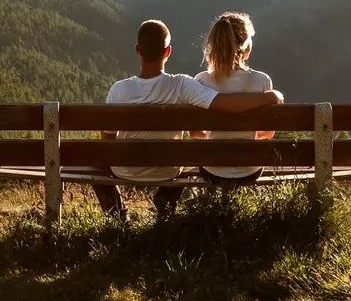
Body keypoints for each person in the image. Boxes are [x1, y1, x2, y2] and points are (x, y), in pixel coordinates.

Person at [93, 18, 282, 219]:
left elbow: (108, 138)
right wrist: (271, 97)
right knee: (188, 159)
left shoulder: (118, 89)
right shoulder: (182, 85)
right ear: (168, 52)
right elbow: (225, 103)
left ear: (138, 50)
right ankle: (165, 202)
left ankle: (116, 214)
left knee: (93, 159)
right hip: (169, 170)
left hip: (124, 169)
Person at [194, 11, 275, 183]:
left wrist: (215, 136)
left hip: (212, 169)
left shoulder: (201, 80)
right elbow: (268, 133)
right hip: (250, 170)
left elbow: (194, 133)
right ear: (246, 47)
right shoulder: (262, 80)